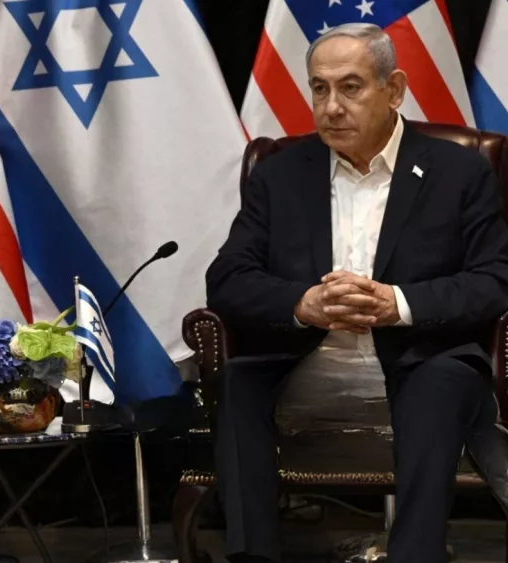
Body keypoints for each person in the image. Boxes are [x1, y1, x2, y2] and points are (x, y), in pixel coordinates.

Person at [205, 23, 508, 563]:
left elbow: (493, 281)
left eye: (350, 87)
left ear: (393, 89)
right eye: (319, 89)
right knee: (237, 381)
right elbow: (227, 279)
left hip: (421, 355)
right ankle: (253, 557)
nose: (331, 106)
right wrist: (304, 304)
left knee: (437, 381)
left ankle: (416, 554)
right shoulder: (279, 175)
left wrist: (399, 304)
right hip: (304, 358)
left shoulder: (460, 170)